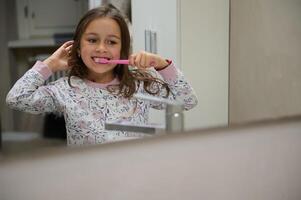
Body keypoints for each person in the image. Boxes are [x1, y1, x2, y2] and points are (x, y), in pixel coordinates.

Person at [6, 4, 198, 146]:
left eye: (112, 42)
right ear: (78, 47)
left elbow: (187, 101)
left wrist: (163, 65)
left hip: (135, 174)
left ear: (123, 50)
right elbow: (16, 98)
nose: (101, 48)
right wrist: (50, 65)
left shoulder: (139, 84)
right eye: (92, 40)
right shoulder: (65, 89)